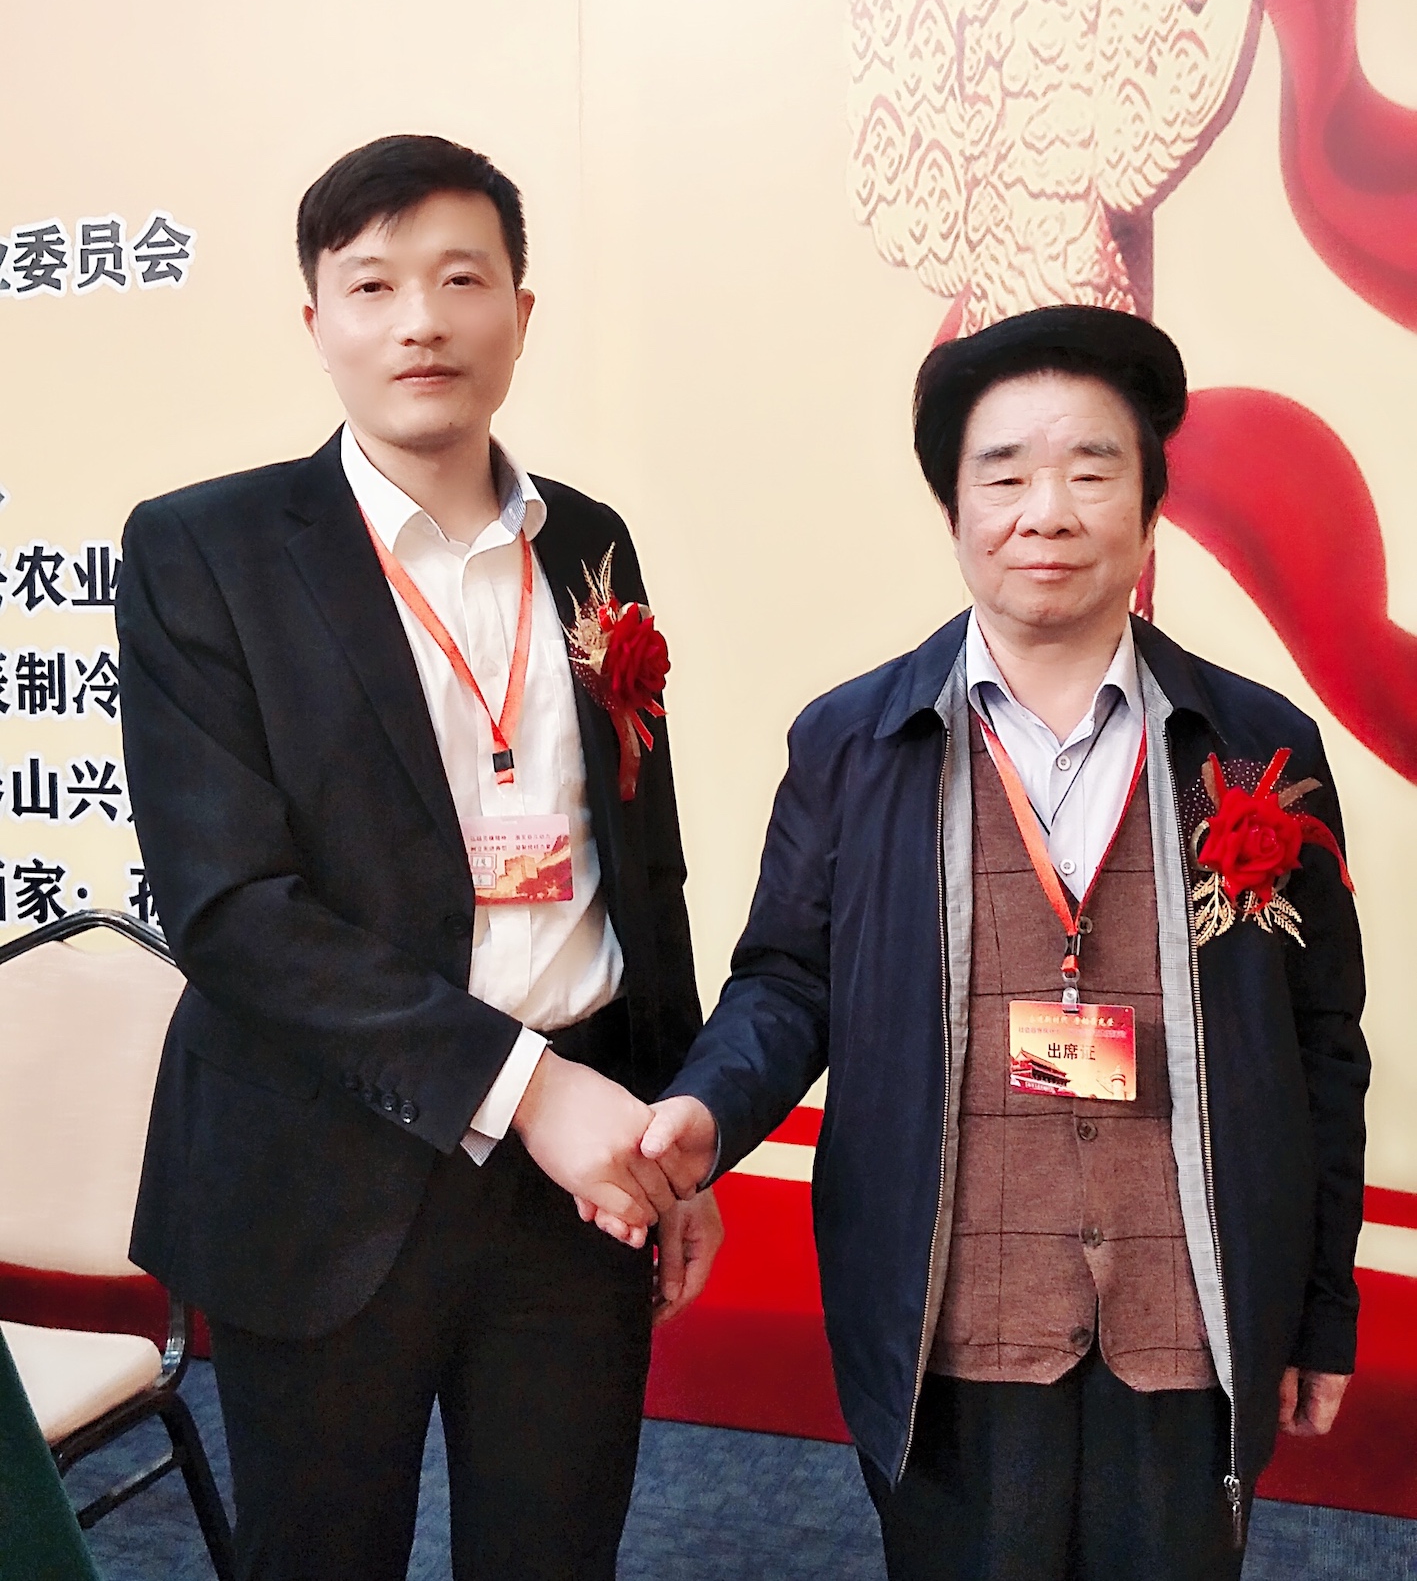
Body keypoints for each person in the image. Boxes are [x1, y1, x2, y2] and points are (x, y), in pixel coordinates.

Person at [638, 305, 1367, 1581]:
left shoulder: (1257, 744)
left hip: (1187, 1318)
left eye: (1091, 471)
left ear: (1149, 509)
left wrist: (1320, 1306)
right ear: (954, 511)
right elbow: (788, 982)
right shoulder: (851, 744)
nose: (1048, 512)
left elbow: (1322, 1045)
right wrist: (707, 1110)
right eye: (1006, 475)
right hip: (951, 1318)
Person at [117, 134, 721, 1581]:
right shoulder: (206, 550)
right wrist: (531, 1092)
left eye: (461, 279)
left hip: (580, 1180)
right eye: (373, 285)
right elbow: (232, 909)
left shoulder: (588, 542)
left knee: (554, 1552)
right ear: (315, 319)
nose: (421, 322)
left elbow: (641, 870)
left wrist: (673, 1130)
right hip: (324, 1162)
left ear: (520, 309)